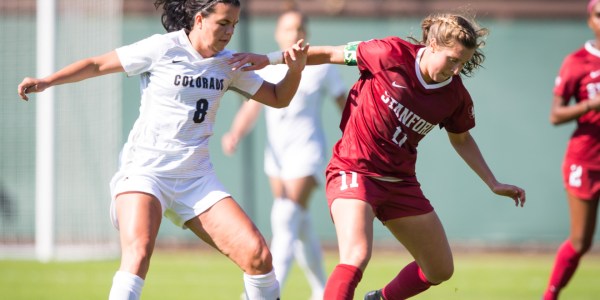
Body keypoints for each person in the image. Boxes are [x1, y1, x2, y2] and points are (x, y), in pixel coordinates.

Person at [17, 1, 308, 299]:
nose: (230, 31)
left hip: (196, 178)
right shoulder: (163, 48)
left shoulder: (229, 63)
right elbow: (97, 64)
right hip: (146, 172)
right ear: (199, 20)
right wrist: (46, 81)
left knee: (258, 256)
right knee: (139, 253)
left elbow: (277, 97)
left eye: (234, 24)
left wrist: (295, 71)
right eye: (223, 23)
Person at [231, 12, 527, 300]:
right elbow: (328, 54)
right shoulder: (389, 53)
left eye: (463, 62)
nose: (457, 69)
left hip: (400, 182)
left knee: (439, 269)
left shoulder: (455, 96)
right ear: (433, 45)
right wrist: (269, 60)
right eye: (452, 59)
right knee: (356, 255)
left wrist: (492, 182)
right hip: (354, 170)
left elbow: (461, 139)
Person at [221, 10, 347, 299]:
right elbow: (252, 106)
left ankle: (262, 293)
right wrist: (235, 133)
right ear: (278, 34)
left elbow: (345, 105)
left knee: (285, 217)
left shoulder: (321, 66)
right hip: (277, 158)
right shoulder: (269, 65)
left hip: (308, 154)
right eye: (288, 28)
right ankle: (322, 290)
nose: (294, 33)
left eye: (300, 27)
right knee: (299, 224)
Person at [542, 1, 600, 299]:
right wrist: (591, 104)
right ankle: (550, 296)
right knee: (580, 241)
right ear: (590, 19)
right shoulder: (577, 61)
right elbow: (555, 114)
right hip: (587, 159)